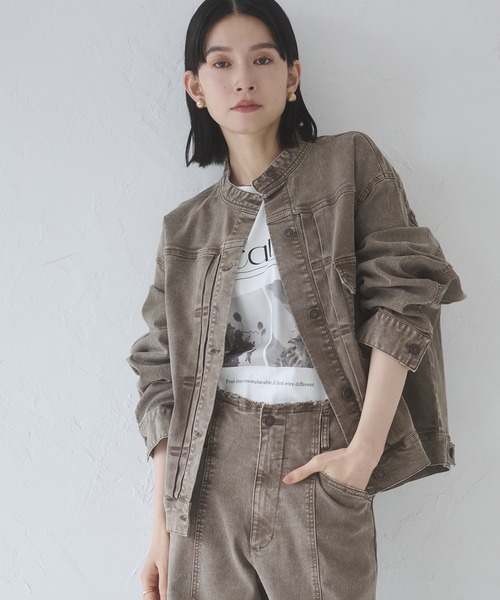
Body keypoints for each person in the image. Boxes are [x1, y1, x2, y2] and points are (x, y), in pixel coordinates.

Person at [127, 1, 466, 598]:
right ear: (195, 87)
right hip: (206, 478)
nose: (243, 78)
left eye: (262, 59)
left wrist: (362, 453)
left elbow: (404, 296)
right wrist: (161, 528)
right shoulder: (185, 230)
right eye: (221, 63)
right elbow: (161, 376)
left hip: (319, 459)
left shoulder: (347, 166)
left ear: (292, 75)